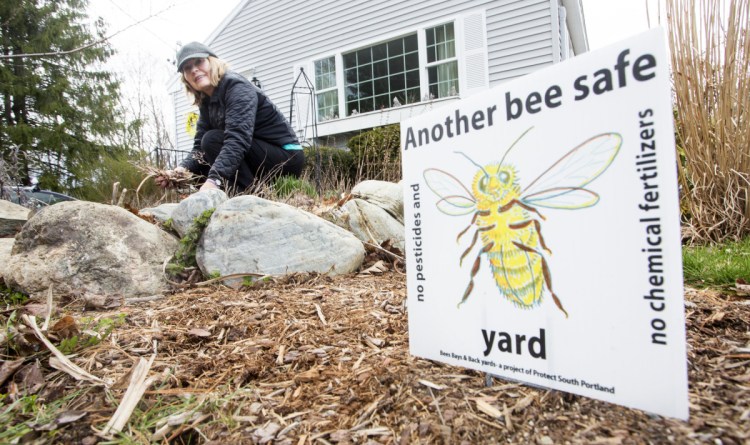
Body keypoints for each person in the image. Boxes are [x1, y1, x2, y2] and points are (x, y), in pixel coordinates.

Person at [162, 41, 304, 193]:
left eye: (199, 62)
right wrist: (179, 171)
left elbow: (238, 139)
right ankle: (228, 197)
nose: (194, 70)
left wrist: (214, 180)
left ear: (213, 62)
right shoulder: (206, 102)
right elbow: (198, 149)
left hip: (286, 157)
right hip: (256, 153)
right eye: (187, 68)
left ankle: (250, 197)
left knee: (212, 140)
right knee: (200, 163)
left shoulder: (236, 87)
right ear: (186, 78)